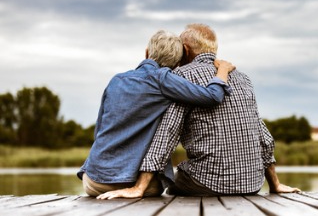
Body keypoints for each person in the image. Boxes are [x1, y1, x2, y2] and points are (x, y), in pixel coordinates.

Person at [97, 24, 300, 200]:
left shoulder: (181, 76)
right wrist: (275, 184)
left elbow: (167, 134)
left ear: (185, 50)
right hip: (252, 184)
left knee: (168, 180)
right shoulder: (243, 78)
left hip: (206, 183)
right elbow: (263, 134)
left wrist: (139, 187)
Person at [77, 29, 236, 197]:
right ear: (178, 62)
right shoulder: (164, 79)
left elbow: (99, 131)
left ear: (147, 52)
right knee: (165, 185)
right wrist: (223, 70)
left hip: (93, 181)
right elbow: (212, 96)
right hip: (130, 182)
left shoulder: (116, 80)